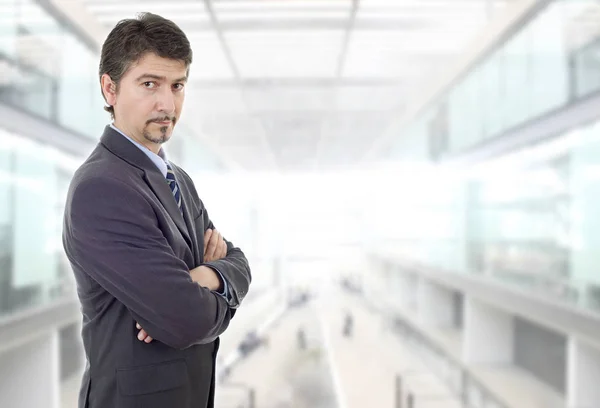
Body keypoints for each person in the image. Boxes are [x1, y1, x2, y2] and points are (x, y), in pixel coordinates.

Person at [62, 12, 251, 408]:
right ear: (109, 89)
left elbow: (238, 262)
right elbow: (186, 320)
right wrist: (195, 292)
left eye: (177, 85)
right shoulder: (101, 189)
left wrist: (207, 277)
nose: (167, 103)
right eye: (149, 84)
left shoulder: (177, 178)